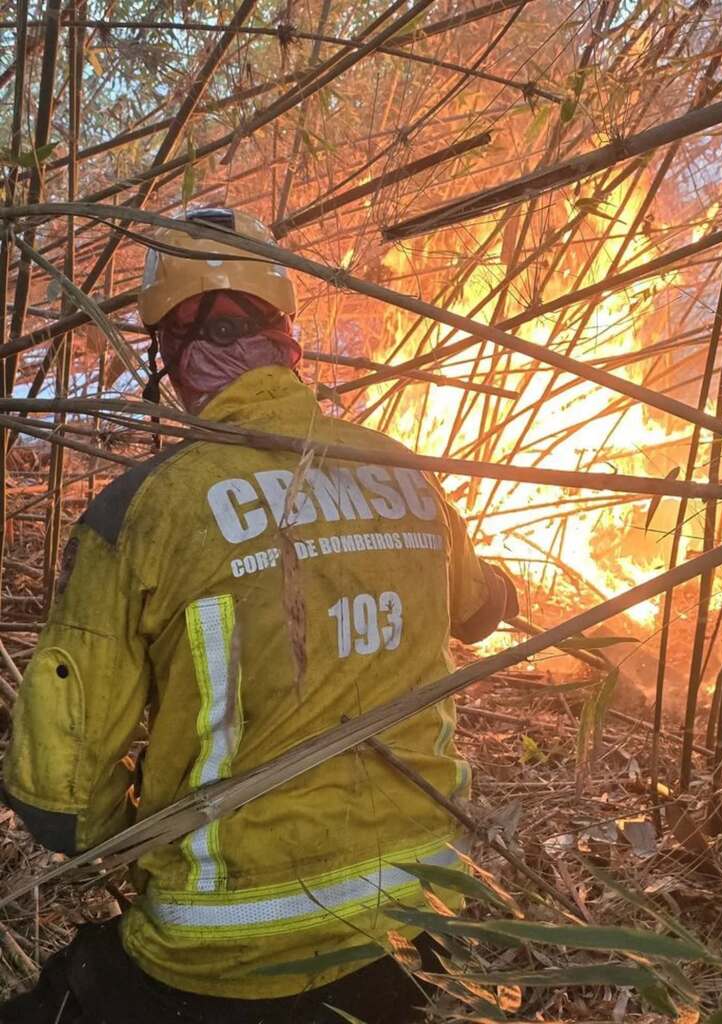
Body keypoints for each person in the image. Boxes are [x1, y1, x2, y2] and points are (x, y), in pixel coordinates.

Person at [0, 208, 519, 1024]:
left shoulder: (145, 512)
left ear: (169, 357)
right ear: (289, 340)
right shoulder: (403, 470)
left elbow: (61, 801)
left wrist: (117, 833)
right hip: (417, 928)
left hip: (219, 953)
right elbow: (483, 608)